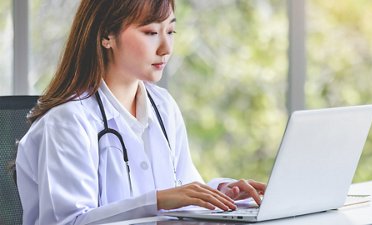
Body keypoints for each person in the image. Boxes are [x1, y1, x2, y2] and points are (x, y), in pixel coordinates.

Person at [16, 0, 266, 224]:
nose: (166, 48)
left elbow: (183, 189)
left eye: (170, 31)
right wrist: (156, 202)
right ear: (107, 35)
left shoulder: (163, 106)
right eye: (151, 32)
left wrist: (222, 193)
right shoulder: (68, 121)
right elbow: (69, 221)